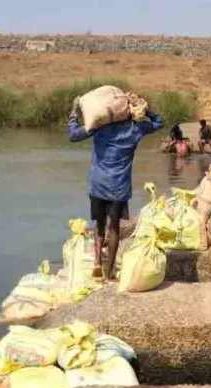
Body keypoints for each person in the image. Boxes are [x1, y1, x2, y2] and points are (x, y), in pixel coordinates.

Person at [68, 97, 164, 281]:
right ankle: (110, 271)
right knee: (114, 229)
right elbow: (158, 123)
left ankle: (97, 262)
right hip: (119, 187)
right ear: (128, 113)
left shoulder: (99, 127)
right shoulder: (135, 129)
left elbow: (73, 135)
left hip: (97, 184)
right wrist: (146, 107)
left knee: (100, 225)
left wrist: (74, 112)